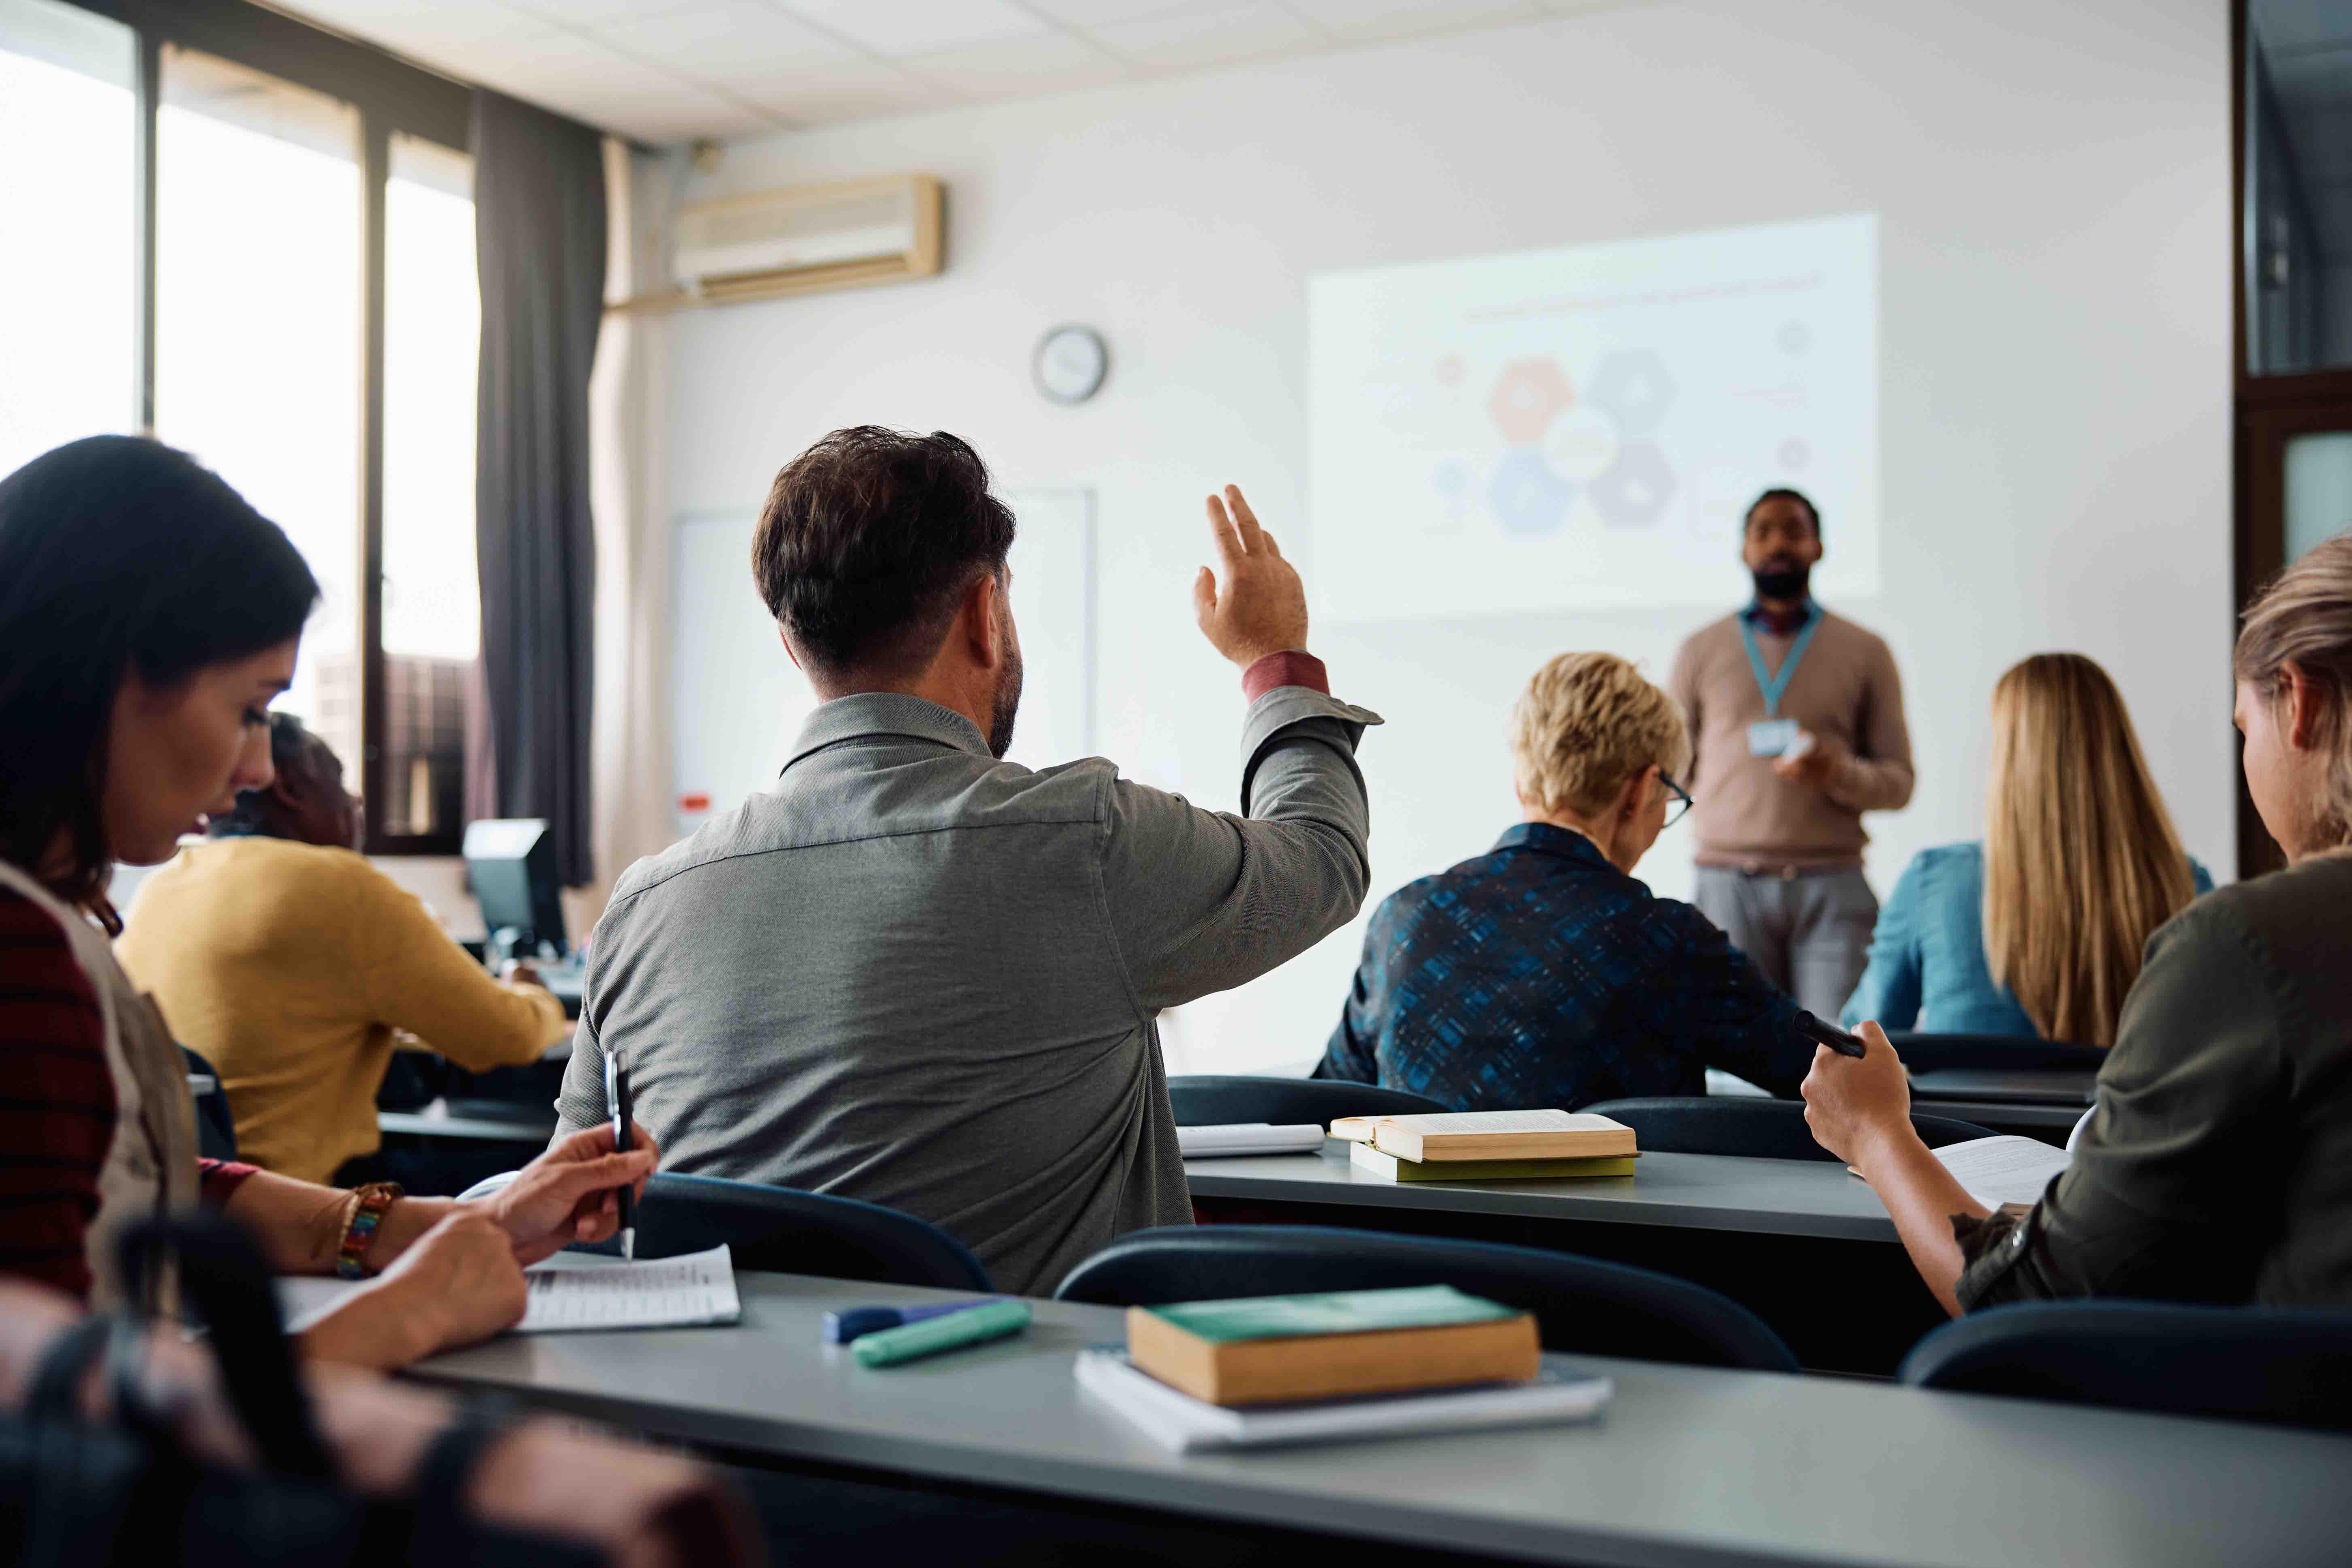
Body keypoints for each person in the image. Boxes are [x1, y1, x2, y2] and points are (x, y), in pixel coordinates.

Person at [553, 427, 1381, 1295]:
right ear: (985, 615)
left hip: (725, 1422)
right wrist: (1272, 658)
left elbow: (570, 1206)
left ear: (794, 646)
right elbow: (1320, 857)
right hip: (1041, 1423)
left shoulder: (639, 910)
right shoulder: (1078, 843)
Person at [0, 435, 654, 1368]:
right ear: (116, 673)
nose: (260, 766)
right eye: (249, 708)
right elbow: (57, 1431)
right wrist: (407, 1313)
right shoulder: (21, 950)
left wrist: (455, 1225)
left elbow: (142, 1185)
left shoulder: (79, 911)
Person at [1806, 535, 2352, 1312]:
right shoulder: (2187, 887)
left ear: (2295, 704)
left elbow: (2031, 1294)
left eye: (2241, 727)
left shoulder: (2243, 941)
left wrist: (1873, 1134)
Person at [1319, 652, 1811, 1108]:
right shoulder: (1667, 940)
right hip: (1607, 1208)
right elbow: (1822, 1076)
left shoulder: (1404, 919)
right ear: (1642, 791)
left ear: (1521, 779)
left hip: (1415, 1208)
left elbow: (1328, 1099)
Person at [115, 713, 570, 1185]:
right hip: (306, 1198)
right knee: (543, 1160)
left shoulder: (160, 885)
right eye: (338, 778)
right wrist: (534, 993)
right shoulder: (337, 884)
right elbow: (504, 1039)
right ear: (289, 787)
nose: (354, 799)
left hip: (187, 1192)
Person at [1842, 653, 2211, 1044]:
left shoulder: (1933, 882)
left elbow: (1860, 1037)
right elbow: (2212, 1041)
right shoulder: (2185, 887)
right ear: (2119, 754)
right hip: (2120, 1110)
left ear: (2008, 757)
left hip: (1962, 1109)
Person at [1669, 488, 1913, 1016]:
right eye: (1762, 531)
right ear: (1742, 549)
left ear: (1818, 546)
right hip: (1725, 886)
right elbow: (1668, 771)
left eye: (1794, 530)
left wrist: (1836, 773)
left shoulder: (1865, 650)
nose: (1778, 542)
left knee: (1838, 1057)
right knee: (1732, 1072)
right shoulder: (1699, 650)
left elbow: (1899, 783)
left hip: (1831, 887)